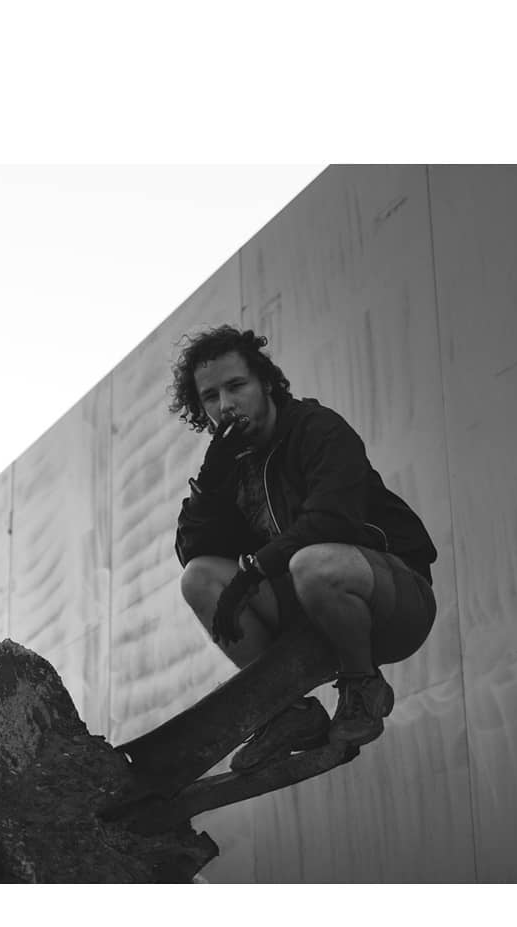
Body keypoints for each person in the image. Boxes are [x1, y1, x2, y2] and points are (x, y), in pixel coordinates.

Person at [170, 325, 437, 773]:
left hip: (392, 601)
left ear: (267, 383)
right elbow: (192, 550)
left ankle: (364, 685)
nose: (226, 405)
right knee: (197, 578)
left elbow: (332, 521)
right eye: (211, 397)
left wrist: (254, 571)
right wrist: (212, 478)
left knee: (312, 563)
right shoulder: (230, 463)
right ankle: (287, 711)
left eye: (236, 386)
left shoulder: (317, 429)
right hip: (309, 617)